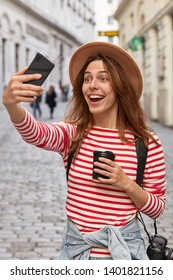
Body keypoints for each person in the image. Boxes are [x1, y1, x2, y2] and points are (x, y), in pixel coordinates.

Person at [2, 41, 166, 260]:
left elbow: (156, 208)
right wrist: (12, 105)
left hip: (126, 255)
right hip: (77, 254)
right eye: (87, 78)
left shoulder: (146, 143)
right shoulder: (73, 134)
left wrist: (125, 183)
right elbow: (36, 133)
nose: (92, 85)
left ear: (120, 87)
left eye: (103, 78)